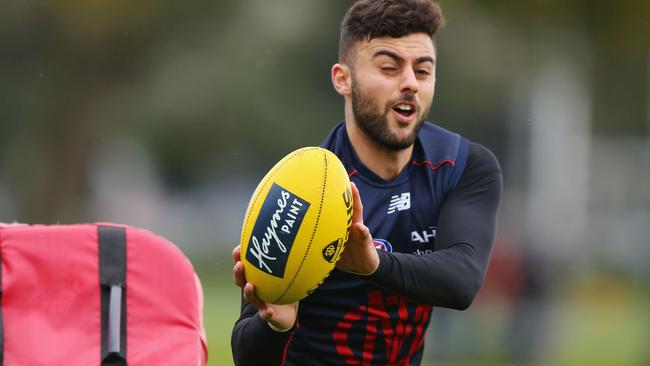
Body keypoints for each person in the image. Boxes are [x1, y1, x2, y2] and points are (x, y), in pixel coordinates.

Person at [231, 0, 502, 364]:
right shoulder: (303, 189)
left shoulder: (461, 166)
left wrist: (372, 265)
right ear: (343, 79)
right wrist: (275, 325)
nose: (409, 83)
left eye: (423, 71)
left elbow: (463, 279)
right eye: (389, 68)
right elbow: (245, 356)